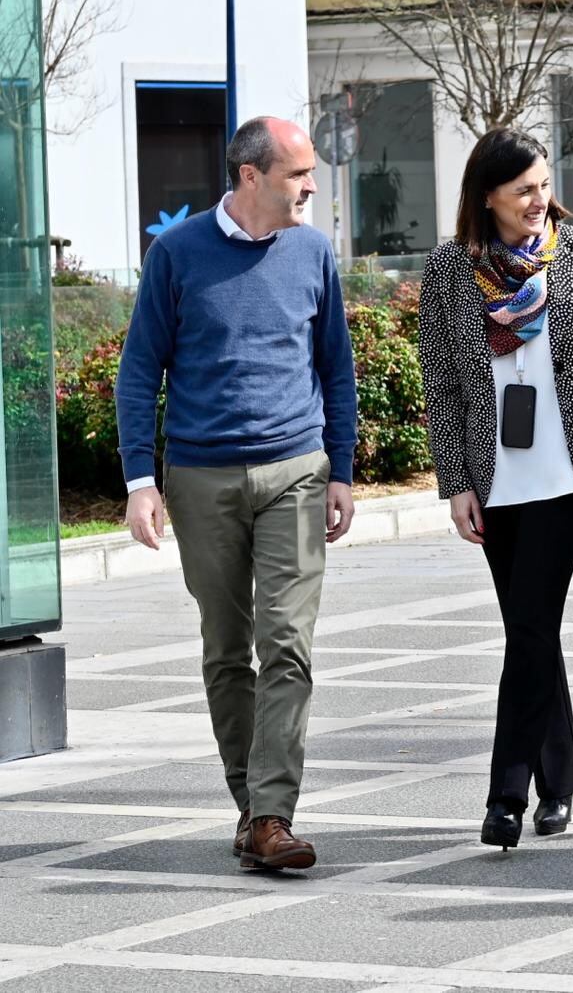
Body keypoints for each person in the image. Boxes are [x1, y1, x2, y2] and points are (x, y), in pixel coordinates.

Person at [116, 116, 357, 872]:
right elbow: (139, 369)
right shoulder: (178, 252)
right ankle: (251, 809)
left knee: (286, 643)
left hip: (296, 470)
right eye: (298, 174)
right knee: (226, 648)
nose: (311, 187)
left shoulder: (313, 252)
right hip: (201, 477)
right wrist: (140, 481)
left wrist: (341, 469)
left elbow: (336, 367)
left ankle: (273, 814)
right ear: (251, 176)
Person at [418, 129, 573, 851]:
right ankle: (560, 779)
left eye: (543, 185)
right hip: (494, 476)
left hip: (569, 472)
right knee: (529, 630)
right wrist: (456, 483)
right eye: (523, 191)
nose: (539, 200)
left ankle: (506, 795)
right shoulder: (449, 269)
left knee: (533, 623)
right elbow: (441, 384)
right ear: (488, 197)